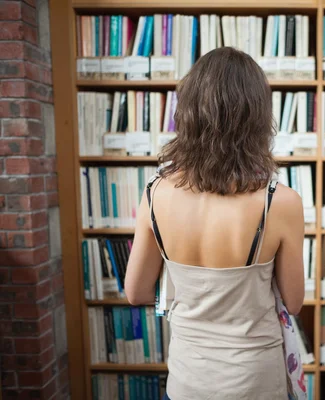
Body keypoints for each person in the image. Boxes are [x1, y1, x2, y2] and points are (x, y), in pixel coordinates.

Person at [124, 47, 305, 400]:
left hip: (189, 378)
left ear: (188, 112)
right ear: (257, 117)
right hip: (255, 380)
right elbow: (294, 302)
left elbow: (137, 292)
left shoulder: (155, 193)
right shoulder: (280, 202)